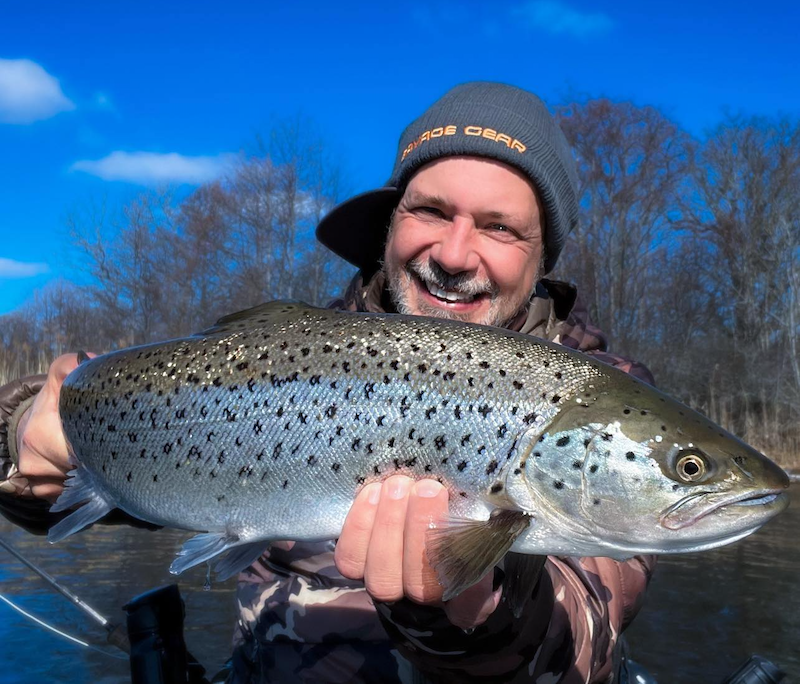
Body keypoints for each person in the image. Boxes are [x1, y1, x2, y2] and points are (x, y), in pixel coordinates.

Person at [0, 82, 656, 683]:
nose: (455, 255)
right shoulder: (277, 356)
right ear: (390, 224)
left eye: (499, 227)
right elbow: (81, 442)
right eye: (431, 211)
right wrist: (28, 423)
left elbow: (582, 641)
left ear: (543, 258)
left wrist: (474, 600)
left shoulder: (611, 400)